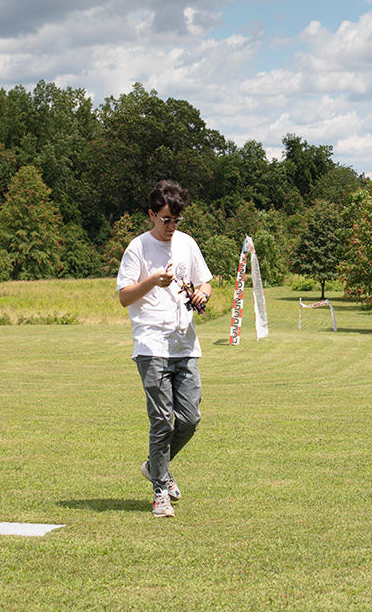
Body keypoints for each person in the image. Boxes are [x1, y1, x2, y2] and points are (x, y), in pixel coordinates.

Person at [117, 180, 213, 518]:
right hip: (151, 345)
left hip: (184, 344)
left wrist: (202, 293)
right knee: (161, 421)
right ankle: (160, 491)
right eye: (166, 219)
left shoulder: (187, 243)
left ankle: (155, 466)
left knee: (189, 419)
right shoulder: (138, 248)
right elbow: (124, 296)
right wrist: (152, 281)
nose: (171, 226)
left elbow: (205, 281)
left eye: (177, 220)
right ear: (151, 214)